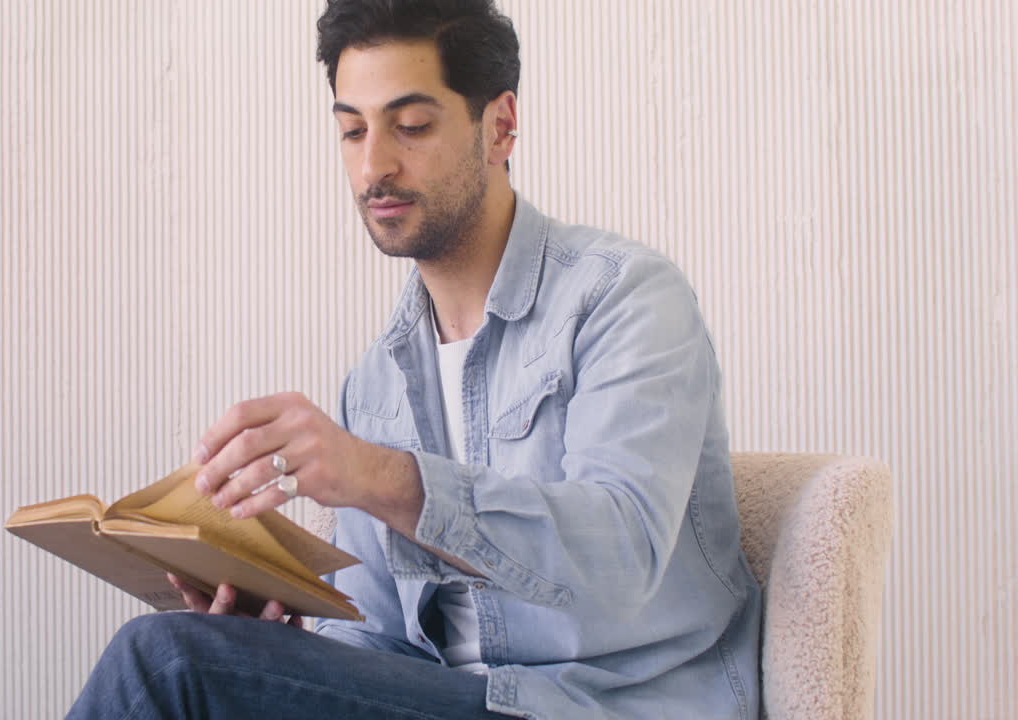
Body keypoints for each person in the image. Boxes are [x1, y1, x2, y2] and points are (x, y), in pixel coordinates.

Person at [66, 0, 762, 717]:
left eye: (412, 126)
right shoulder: (376, 383)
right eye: (352, 130)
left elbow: (623, 556)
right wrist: (273, 651)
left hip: (600, 706)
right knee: (189, 645)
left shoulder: (623, 297)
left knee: (163, 660)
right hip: (458, 702)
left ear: (500, 125)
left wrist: (379, 477)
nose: (375, 167)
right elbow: (378, 649)